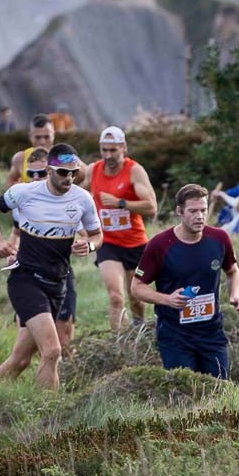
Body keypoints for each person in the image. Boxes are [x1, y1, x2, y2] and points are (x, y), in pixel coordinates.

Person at [0, 143, 102, 390]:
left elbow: (97, 235)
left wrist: (89, 246)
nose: (68, 177)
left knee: (21, 359)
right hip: (26, 279)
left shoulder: (83, 198)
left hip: (57, 283)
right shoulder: (25, 192)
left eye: (74, 172)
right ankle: (47, 418)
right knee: (52, 350)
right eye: (62, 172)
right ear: (49, 170)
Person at [130, 184, 239, 377]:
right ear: (179, 211)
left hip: (212, 333)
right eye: (193, 211)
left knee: (219, 392)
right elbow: (136, 287)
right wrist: (167, 299)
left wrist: (235, 295)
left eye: (203, 210)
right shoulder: (159, 245)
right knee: (184, 395)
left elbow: (233, 271)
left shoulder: (220, 238)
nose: (199, 216)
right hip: (175, 335)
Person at [78, 125, 157, 331]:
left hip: (134, 242)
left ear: (124, 147)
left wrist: (121, 203)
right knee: (115, 296)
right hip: (107, 242)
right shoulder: (93, 170)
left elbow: (151, 207)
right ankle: (119, 342)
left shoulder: (135, 171)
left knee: (136, 298)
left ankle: (138, 331)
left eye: (113, 150)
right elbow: (74, 196)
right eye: (104, 150)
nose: (108, 155)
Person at [6, 114, 56, 187]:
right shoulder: (20, 158)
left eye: (46, 137)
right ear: (30, 136)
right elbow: (11, 180)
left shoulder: (63, 158)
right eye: (38, 137)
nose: (42, 142)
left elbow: (79, 180)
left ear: (53, 135)